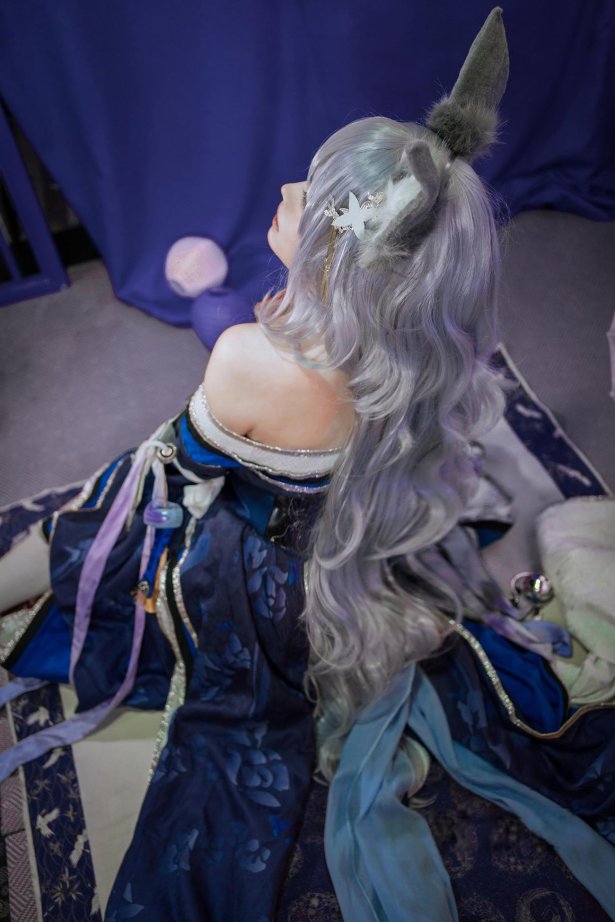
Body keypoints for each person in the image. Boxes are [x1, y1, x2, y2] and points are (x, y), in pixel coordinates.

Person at [0, 8, 614, 921]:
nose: (287, 186)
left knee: (104, 514)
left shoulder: (247, 358)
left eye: (307, 191)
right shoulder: (420, 358)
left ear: (336, 246)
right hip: (353, 547)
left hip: (254, 578)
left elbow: (180, 466)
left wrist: (149, 492)